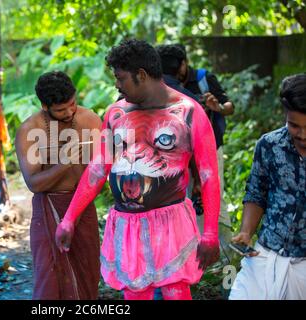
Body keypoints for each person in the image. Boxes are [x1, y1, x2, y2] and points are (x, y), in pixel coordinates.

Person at [55, 39, 220, 300]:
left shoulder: (189, 113)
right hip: (127, 226)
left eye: (121, 78)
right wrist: (69, 219)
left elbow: (209, 175)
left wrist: (210, 232)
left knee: (176, 292)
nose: (117, 85)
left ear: (141, 75)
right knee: (134, 294)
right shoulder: (115, 112)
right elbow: (98, 169)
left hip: (171, 225)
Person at [15, 71, 102, 299]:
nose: (69, 112)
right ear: (45, 106)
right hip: (48, 208)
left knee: (88, 272)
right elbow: (33, 183)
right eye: (61, 109)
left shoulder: (91, 120)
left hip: (83, 207)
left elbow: (103, 169)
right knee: (49, 277)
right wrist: (64, 164)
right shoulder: (29, 129)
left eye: (72, 104)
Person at [229, 74, 306, 300]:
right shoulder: (270, 145)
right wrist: (246, 231)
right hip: (266, 254)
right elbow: (256, 192)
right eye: (294, 126)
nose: (302, 135)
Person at [176, 44, 235, 258]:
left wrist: (216, 106)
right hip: (182, 154)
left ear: (184, 63)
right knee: (186, 199)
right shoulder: (165, 84)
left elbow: (230, 106)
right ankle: (192, 253)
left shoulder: (203, 79)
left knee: (212, 195)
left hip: (209, 150)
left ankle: (226, 252)